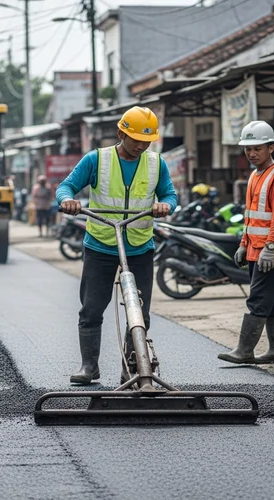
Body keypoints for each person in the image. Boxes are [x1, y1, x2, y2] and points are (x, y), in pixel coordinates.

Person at [56, 106, 178, 385]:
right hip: (101, 244)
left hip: (139, 246)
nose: (141, 145)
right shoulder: (96, 160)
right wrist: (68, 201)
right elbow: (65, 187)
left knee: (140, 311)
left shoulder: (156, 163)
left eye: (146, 140)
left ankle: (133, 367)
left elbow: (170, 194)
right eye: (135, 139)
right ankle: (89, 367)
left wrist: (165, 205)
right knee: (91, 307)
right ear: (121, 133)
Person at [218, 121, 274, 365]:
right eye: (247, 148)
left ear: (271, 147)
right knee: (271, 300)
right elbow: (251, 216)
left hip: (270, 253)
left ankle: (244, 350)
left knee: (258, 299)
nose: (251, 153)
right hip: (254, 250)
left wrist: (270, 247)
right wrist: (243, 243)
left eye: (257, 148)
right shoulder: (254, 175)